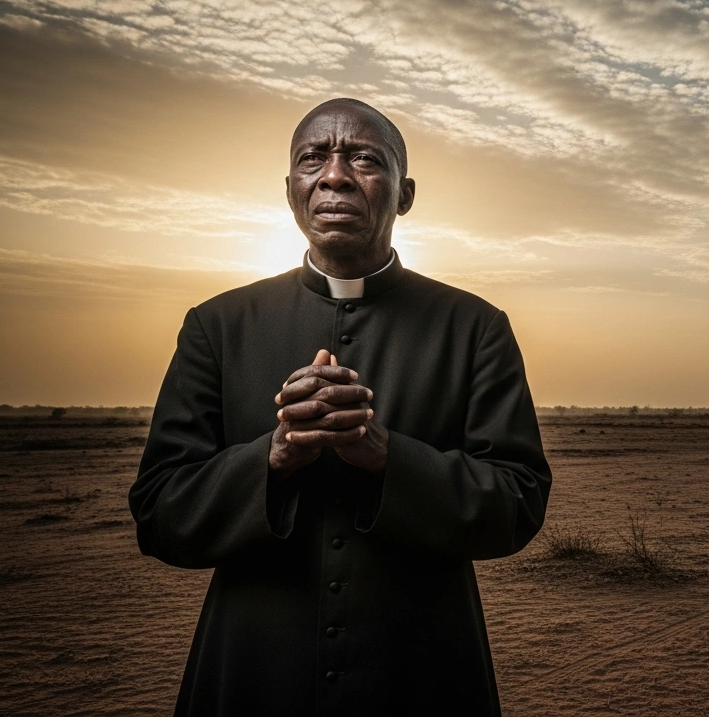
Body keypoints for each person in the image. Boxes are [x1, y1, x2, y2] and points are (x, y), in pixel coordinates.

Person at [130, 98, 551, 715]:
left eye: (364, 158)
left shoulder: (475, 327)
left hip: (423, 672)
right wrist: (272, 458)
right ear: (291, 190)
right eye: (312, 159)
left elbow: (519, 502)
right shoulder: (217, 326)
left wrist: (385, 456)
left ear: (405, 194)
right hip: (251, 669)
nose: (334, 175)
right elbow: (159, 513)